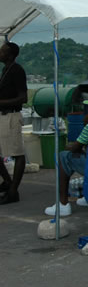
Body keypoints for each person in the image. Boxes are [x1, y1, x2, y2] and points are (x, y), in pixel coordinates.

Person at [44, 95, 88, 216]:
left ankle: (63, 204)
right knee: (87, 155)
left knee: (64, 156)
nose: (87, 111)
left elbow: (75, 147)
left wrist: (68, 146)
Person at [0, 42, 28, 205]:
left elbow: (23, 98)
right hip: (3, 116)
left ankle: (12, 191)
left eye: (2, 51)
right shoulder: (6, 70)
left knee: (17, 153)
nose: (0, 53)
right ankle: (8, 183)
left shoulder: (17, 70)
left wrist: (1, 102)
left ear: (10, 55)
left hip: (11, 116)